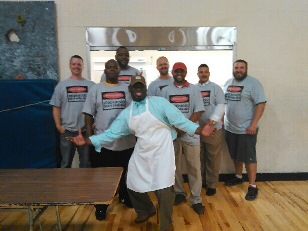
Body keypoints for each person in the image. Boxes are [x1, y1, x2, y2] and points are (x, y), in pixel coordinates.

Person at [67, 75, 213, 231]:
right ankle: (146, 209)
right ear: (130, 89)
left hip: (162, 151)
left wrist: (200, 130)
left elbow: (180, 121)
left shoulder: (159, 103)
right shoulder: (126, 114)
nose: (138, 90)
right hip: (142, 151)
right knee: (131, 182)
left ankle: (166, 225)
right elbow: (110, 134)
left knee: (164, 189)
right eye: (135, 87)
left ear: (145, 88)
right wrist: (87, 141)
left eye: (141, 86)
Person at [82, 59, 136, 220]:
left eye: (115, 67)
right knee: (102, 176)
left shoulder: (127, 89)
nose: (112, 70)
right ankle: (101, 205)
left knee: (126, 172)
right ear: (105, 70)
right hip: (104, 142)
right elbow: (88, 114)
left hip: (126, 141)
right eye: (109, 67)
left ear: (119, 71)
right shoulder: (96, 89)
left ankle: (125, 197)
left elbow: (134, 112)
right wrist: (90, 136)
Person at [161, 62, 206, 215]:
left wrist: (184, 127)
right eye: (176, 70)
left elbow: (198, 111)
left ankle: (196, 199)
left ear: (186, 72)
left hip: (191, 135)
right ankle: (179, 192)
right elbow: (163, 113)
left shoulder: (194, 89)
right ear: (172, 72)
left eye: (182, 70)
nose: (179, 73)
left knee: (194, 168)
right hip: (173, 134)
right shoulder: (166, 91)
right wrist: (175, 129)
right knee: (175, 167)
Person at [223, 59, 266, 201]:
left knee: (249, 157)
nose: (238, 70)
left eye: (241, 68)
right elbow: (224, 103)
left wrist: (253, 124)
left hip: (247, 129)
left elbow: (261, 104)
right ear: (233, 69)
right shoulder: (228, 83)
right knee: (235, 155)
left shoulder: (254, 83)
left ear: (246, 69)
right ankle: (238, 176)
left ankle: (252, 186)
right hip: (230, 128)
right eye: (236, 68)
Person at [50, 55, 95, 168]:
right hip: (67, 131)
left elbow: (97, 106)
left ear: (82, 66)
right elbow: (56, 107)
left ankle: (86, 186)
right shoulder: (61, 86)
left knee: (86, 163)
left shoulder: (91, 85)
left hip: (85, 131)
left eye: (79, 64)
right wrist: (58, 126)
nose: (76, 66)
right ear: (70, 66)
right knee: (65, 163)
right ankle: (64, 186)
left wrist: (94, 124)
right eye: (74, 64)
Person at [196, 64, 225, 196]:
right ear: (197, 74)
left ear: (209, 73)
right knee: (199, 157)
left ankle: (212, 184)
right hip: (198, 130)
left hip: (213, 129)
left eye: (205, 72)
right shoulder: (193, 88)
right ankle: (200, 181)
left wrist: (212, 120)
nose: (203, 74)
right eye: (201, 72)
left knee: (212, 158)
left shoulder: (216, 88)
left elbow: (221, 105)